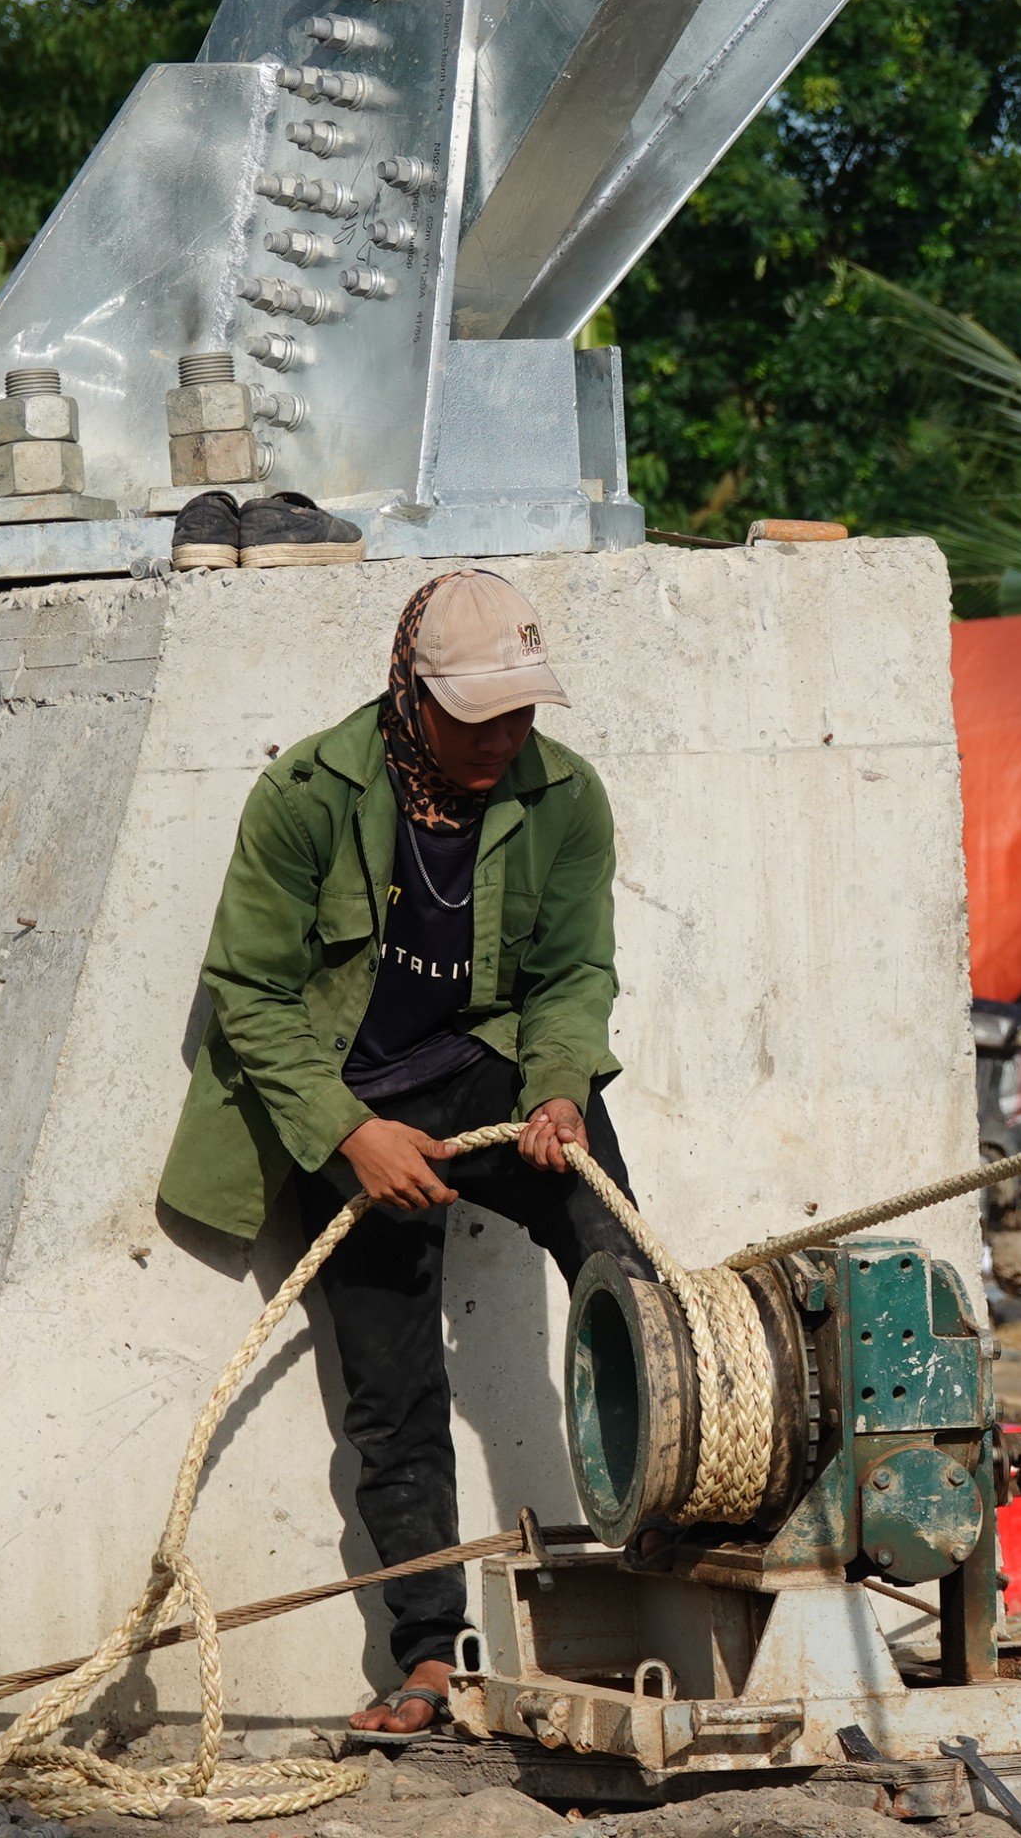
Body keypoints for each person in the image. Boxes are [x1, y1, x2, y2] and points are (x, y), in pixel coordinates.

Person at [157, 570, 644, 1737]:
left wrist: (562, 1089)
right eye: (478, 716)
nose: (504, 739)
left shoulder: (565, 796)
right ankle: (429, 1657)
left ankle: (663, 1566)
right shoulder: (307, 794)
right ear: (412, 693)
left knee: (629, 1278)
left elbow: (574, 975)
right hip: (349, 1101)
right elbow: (252, 994)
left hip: (492, 1070)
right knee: (393, 1394)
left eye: (522, 713)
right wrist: (349, 1136)